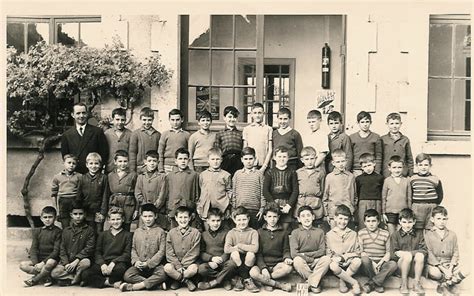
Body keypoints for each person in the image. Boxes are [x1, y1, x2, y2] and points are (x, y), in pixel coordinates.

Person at [120, 203, 168, 292]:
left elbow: (161, 251)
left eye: (150, 216)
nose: (147, 219)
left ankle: (136, 287)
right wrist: (136, 261)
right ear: (141, 217)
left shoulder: (160, 231)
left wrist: (149, 263)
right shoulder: (137, 231)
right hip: (140, 265)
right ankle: (156, 285)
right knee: (127, 275)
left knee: (163, 274)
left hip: (155, 266)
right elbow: (133, 248)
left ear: (156, 216)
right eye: (145, 216)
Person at [81, 207, 132, 288]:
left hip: (118, 263)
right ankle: (109, 282)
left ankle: (101, 281)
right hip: (104, 262)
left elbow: (127, 254)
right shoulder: (103, 235)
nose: (115, 222)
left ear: (123, 219)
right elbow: (97, 252)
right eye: (113, 219)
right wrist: (102, 264)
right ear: (109, 220)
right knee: (85, 274)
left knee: (121, 270)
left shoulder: (127, 235)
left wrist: (114, 262)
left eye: (118, 219)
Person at [249, 203, 293, 292]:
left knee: (288, 268)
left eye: (275, 217)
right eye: (269, 217)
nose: (272, 219)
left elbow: (286, 249)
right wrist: (263, 268)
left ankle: (266, 282)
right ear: (265, 217)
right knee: (253, 272)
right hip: (262, 264)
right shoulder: (259, 232)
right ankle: (278, 284)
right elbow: (258, 253)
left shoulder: (284, 232)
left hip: (277, 265)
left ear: (278, 217)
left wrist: (287, 257)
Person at [425, 206, 468, 294]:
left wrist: (451, 268)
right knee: (435, 273)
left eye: (444, 219)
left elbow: (456, 253)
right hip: (436, 266)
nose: (442, 221)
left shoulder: (452, 235)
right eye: (439, 219)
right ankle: (450, 281)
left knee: (468, 269)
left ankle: (446, 284)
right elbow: (429, 254)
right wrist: (444, 270)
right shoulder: (428, 235)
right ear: (432, 219)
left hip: (449, 264)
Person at [51, 201, 95, 286]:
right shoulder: (66, 230)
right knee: (54, 273)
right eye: (75, 214)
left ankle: (72, 279)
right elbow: (62, 248)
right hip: (68, 262)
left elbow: (89, 248)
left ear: (85, 214)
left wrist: (76, 261)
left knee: (86, 263)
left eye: (80, 214)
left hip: (80, 261)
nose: (78, 216)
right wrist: (66, 263)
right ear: (71, 215)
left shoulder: (89, 230)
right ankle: (76, 278)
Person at [290, 206, 331, 293]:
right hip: (303, 262)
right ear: (299, 219)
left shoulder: (320, 232)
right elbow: (294, 253)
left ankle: (309, 282)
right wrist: (308, 258)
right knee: (297, 260)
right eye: (303, 216)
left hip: (316, 261)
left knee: (327, 259)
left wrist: (306, 255)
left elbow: (322, 251)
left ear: (313, 217)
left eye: (308, 215)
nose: (306, 218)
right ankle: (316, 282)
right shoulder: (295, 233)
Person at [61, 102, 108, 174]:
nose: (81, 116)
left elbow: (104, 153)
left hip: (93, 174)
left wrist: (97, 170)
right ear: (72, 115)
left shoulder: (97, 132)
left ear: (87, 114)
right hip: (75, 175)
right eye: (78, 113)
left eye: (84, 113)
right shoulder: (67, 135)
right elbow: (65, 156)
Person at [20, 206, 62, 287]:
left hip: (51, 260)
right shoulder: (37, 231)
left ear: (55, 218)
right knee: (22, 265)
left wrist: (43, 263)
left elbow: (56, 252)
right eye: (45, 217)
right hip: (39, 260)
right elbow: (33, 249)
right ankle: (46, 277)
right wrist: (37, 264)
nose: (47, 219)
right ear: (41, 218)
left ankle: (34, 280)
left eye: (50, 217)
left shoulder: (58, 232)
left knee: (50, 262)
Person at [358, 209, 397, 293]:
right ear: (364, 222)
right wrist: (372, 263)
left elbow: (388, 252)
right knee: (364, 259)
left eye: (373, 221)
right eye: (368, 221)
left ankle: (372, 283)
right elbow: (361, 252)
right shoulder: (361, 233)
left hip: (381, 263)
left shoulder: (385, 233)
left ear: (378, 222)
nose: (371, 224)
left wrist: (381, 262)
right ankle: (378, 283)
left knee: (393, 264)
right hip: (368, 264)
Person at [197, 208, 237, 290]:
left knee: (232, 264)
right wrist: (211, 259)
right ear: (207, 221)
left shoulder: (226, 233)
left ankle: (213, 283)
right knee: (201, 269)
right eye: (213, 221)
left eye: (218, 220)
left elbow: (228, 250)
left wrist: (221, 260)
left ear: (221, 220)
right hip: (211, 263)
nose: (216, 223)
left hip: (223, 262)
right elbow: (201, 252)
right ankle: (224, 279)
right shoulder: (203, 235)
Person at [326, 205, 362, 294]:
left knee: (357, 261)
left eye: (345, 219)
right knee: (332, 266)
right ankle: (354, 282)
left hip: (349, 262)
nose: (343, 222)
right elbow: (328, 252)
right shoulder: (329, 234)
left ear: (349, 220)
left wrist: (344, 257)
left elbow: (357, 252)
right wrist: (334, 258)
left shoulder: (353, 234)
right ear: (335, 218)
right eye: (340, 218)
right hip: (337, 263)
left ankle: (343, 281)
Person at [390, 208, 427, 294]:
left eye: (410, 222)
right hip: (401, 267)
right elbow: (393, 254)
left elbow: (424, 251)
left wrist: (409, 253)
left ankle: (417, 284)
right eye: (404, 222)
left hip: (415, 267)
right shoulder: (395, 235)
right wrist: (404, 255)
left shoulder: (419, 234)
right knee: (407, 256)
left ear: (414, 222)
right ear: (399, 222)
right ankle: (403, 284)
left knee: (420, 255)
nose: (407, 225)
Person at [164, 206, 201, 291]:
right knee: (167, 267)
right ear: (176, 218)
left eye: (185, 217)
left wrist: (183, 265)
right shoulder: (171, 233)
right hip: (175, 264)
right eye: (180, 217)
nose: (183, 220)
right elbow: (169, 252)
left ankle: (178, 280)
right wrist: (178, 265)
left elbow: (194, 252)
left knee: (193, 269)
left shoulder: (195, 232)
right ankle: (185, 281)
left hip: (190, 263)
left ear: (190, 218)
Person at [224, 206, 260, 293]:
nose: (241, 222)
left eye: (244, 219)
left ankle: (240, 278)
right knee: (234, 253)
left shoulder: (253, 232)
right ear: (234, 220)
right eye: (239, 220)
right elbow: (227, 249)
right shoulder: (231, 232)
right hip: (236, 261)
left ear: (248, 219)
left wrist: (239, 246)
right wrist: (238, 249)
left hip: (249, 261)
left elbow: (255, 248)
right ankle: (246, 278)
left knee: (250, 254)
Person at [263, 146, 299, 230]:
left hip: (287, 205)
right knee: (272, 228)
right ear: (274, 157)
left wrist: (289, 205)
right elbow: (265, 191)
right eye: (279, 156)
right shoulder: (269, 172)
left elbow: (295, 191)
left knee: (285, 229)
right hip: (273, 204)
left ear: (288, 158)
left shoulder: (292, 172)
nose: (282, 159)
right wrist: (274, 205)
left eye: (284, 157)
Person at [164, 148, 200, 229]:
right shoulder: (170, 176)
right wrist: (168, 210)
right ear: (176, 161)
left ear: (189, 160)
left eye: (185, 159)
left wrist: (194, 211)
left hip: (188, 208)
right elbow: (166, 194)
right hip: (173, 208)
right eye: (180, 159)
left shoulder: (194, 175)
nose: (183, 161)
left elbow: (197, 195)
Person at [197, 148, 232, 229]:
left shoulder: (226, 175)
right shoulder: (202, 175)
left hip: (220, 207)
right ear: (208, 160)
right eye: (212, 159)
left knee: (221, 229)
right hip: (206, 207)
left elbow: (229, 191)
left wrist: (227, 206)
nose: (215, 161)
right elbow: (200, 189)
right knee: (207, 231)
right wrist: (200, 205)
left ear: (221, 160)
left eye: (217, 159)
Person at [232, 147, 265, 229]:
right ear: (242, 160)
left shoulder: (259, 174)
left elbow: (263, 193)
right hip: (240, 209)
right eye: (246, 159)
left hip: (255, 210)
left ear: (255, 159)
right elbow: (234, 192)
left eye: (251, 158)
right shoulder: (237, 174)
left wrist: (262, 208)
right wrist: (234, 208)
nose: (248, 161)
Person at [322, 149, 356, 229]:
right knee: (335, 235)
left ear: (346, 161)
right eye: (338, 162)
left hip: (348, 212)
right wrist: (327, 214)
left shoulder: (351, 176)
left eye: (342, 161)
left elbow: (355, 196)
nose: (341, 164)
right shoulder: (329, 177)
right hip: (334, 212)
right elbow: (325, 197)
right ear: (333, 163)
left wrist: (352, 209)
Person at [410, 153, 443, 230]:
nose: (423, 167)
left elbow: (440, 194)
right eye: (420, 165)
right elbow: (410, 193)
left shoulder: (435, 179)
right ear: (416, 166)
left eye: (426, 165)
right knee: (417, 227)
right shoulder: (413, 179)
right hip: (417, 206)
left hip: (431, 206)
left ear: (430, 166)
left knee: (430, 227)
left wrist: (435, 204)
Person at [134, 150, 167, 228]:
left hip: (157, 210)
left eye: (154, 161)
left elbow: (162, 194)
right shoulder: (141, 177)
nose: (152, 163)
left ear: (158, 162)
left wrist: (155, 207)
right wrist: (145, 205)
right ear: (145, 162)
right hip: (144, 210)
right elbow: (137, 193)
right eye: (149, 161)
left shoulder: (162, 177)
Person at [108, 150, 138, 231]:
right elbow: (107, 193)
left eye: (125, 161)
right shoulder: (110, 175)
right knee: (115, 224)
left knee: (126, 226)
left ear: (128, 162)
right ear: (115, 162)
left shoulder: (133, 174)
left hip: (128, 203)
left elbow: (137, 192)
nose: (123, 164)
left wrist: (136, 209)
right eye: (120, 161)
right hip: (115, 202)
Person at [295, 146, 325, 227]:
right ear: (302, 160)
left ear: (316, 158)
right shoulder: (298, 172)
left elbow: (323, 190)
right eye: (307, 159)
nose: (310, 162)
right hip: (301, 203)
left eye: (312, 159)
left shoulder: (320, 173)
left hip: (315, 205)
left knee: (315, 228)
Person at [78, 152, 109, 233]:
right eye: (91, 163)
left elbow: (105, 196)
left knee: (99, 232)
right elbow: (79, 196)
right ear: (87, 165)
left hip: (98, 211)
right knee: (87, 232)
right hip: (86, 212)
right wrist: (81, 211)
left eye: (96, 163)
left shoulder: (104, 178)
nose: (93, 166)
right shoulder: (82, 178)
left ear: (100, 165)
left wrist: (102, 212)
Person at [381, 156, 412, 235]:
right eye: (394, 167)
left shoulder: (406, 181)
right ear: (389, 168)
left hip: (403, 212)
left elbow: (409, 198)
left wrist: (409, 211)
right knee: (391, 235)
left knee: (401, 234)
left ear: (403, 168)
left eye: (399, 167)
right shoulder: (387, 181)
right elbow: (383, 198)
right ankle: (392, 248)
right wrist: (383, 213)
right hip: (390, 212)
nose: (397, 170)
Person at [51, 154, 82, 228]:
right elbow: (53, 194)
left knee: (76, 223)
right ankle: (66, 238)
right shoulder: (57, 177)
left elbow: (81, 192)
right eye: (69, 163)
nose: (71, 165)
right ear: (63, 163)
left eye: (74, 163)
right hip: (63, 201)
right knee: (65, 223)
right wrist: (56, 209)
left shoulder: (79, 176)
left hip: (75, 200)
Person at [355, 153, 384, 229]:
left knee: (376, 222)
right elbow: (357, 191)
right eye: (365, 166)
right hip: (363, 203)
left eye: (369, 165)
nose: (368, 168)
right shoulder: (359, 178)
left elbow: (382, 192)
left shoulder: (380, 178)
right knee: (363, 223)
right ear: (361, 167)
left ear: (374, 164)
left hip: (376, 202)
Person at [380, 112, 414, 178]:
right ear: (387, 124)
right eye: (392, 124)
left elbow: (409, 159)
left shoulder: (405, 139)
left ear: (401, 124)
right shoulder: (382, 139)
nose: (394, 126)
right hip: (387, 174)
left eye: (397, 123)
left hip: (402, 174)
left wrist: (410, 174)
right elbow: (380, 158)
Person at [349, 111, 382, 176]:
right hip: (356, 169)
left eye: (367, 122)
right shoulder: (352, 137)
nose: (365, 124)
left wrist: (377, 172)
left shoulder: (376, 137)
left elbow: (378, 156)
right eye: (362, 122)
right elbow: (350, 155)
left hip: (371, 169)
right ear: (358, 123)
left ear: (370, 122)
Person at [129, 107, 161, 173]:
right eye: (144, 120)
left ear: (153, 120)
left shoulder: (158, 134)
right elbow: (132, 152)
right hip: (140, 167)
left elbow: (159, 152)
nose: (147, 122)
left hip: (153, 166)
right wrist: (132, 169)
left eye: (149, 120)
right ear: (140, 119)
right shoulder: (136, 134)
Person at [214, 106, 243, 177]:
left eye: (234, 117)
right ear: (224, 118)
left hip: (238, 161)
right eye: (230, 117)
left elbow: (243, 149)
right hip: (225, 161)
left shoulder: (241, 133)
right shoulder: (220, 133)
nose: (232, 119)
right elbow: (217, 150)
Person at [243, 102, 273, 171]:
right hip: (250, 166)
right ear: (251, 114)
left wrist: (264, 166)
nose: (257, 115)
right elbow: (245, 149)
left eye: (259, 113)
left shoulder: (268, 129)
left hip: (264, 165)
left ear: (263, 114)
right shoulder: (247, 129)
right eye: (255, 113)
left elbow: (270, 150)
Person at [158, 108, 191, 173]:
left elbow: (189, 152)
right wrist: (160, 167)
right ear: (169, 120)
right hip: (167, 166)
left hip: (181, 165)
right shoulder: (165, 134)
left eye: (177, 120)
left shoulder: (187, 135)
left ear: (182, 120)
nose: (175, 122)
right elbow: (160, 152)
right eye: (172, 120)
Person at [104, 108, 132, 173]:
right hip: (110, 168)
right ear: (113, 119)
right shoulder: (107, 133)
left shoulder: (130, 134)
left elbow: (131, 152)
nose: (120, 122)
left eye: (122, 120)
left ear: (125, 120)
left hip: (125, 169)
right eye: (117, 119)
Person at [301, 109, 329, 175]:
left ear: (320, 121)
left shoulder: (323, 135)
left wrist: (313, 167)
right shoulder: (307, 135)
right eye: (309, 122)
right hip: (307, 166)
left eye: (313, 122)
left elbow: (323, 154)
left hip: (318, 167)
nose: (311, 124)